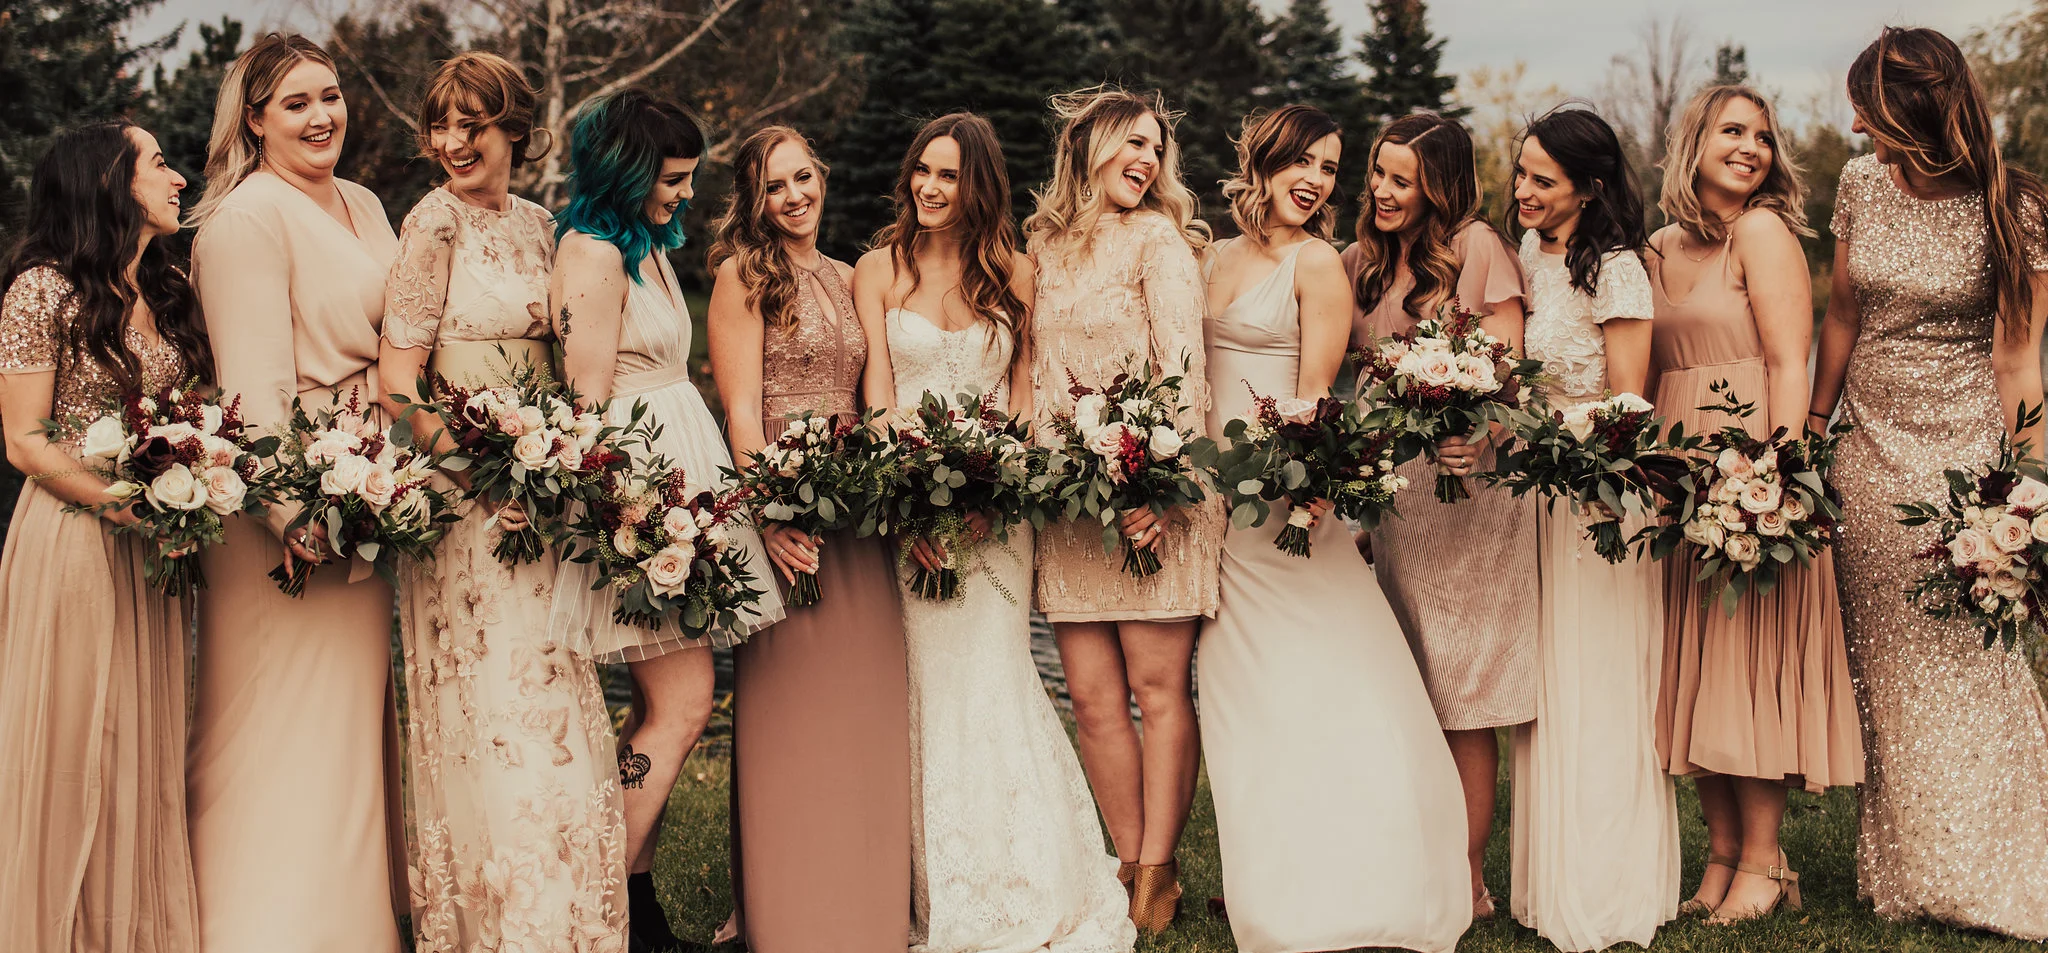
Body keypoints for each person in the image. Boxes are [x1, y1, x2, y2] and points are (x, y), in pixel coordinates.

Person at [851, 112, 1134, 953]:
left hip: (994, 518)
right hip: (911, 520)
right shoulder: (878, 270)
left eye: (949, 176)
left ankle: (1030, 877)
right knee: (926, 697)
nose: (931, 189)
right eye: (922, 172)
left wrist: (990, 490)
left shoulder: (1012, 272)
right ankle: (934, 887)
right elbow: (876, 395)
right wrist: (911, 506)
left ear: (980, 188)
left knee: (996, 680)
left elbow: (1019, 399)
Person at [1196, 104, 1471, 953]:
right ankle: (1271, 878)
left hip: (1281, 502)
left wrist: (1301, 489)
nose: (1316, 180)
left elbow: (1316, 395)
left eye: (1328, 165)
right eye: (1302, 163)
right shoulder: (1212, 257)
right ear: (1262, 163)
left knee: (1323, 680)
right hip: (1212, 500)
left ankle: (1368, 877)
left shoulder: (1319, 263)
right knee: (1248, 701)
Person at [375, 51, 628, 949]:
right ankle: (497, 924)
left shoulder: (539, 227)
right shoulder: (430, 226)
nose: (451, 142)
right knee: (492, 716)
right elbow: (398, 389)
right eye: (440, 124)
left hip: (542, 501)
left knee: (557, 699)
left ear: (514, 129)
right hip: (471, 513)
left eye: (470, 125)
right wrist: (489, 476)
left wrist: (558, 466)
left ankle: (571, 920)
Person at [1810, 27, 2048, 940]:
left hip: (1967, 467)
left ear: (1910, 108)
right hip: (1868, 456)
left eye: (1866, 103)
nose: (1854, 119)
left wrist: (2025, 485)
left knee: (1975, 667)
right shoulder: (1862, 185)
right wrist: (1808, 435)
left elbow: (2020, 359)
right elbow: (1842, 315)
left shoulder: (2014, 206)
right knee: (1891, 671)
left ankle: (1996, 861)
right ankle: (1912, 869)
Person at [545, 88, 785, 953]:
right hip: (643, 499)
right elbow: (586, 407)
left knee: (677, 699)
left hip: (684, 477)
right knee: (682, 701)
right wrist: (638, 524)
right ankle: (595, 902)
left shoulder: (639, 246)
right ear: (631, 170)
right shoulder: (593, 257)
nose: (686, 192)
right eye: (675, 178)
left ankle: (631, 910)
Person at [185, 33, 406, 952]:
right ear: (254, 121)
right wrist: (294, 509)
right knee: (278, 728)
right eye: (297, 104)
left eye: (333, 95)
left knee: (349, 726)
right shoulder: (244, 220)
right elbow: (251, 390)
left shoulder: (360, 200)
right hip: (289, 513)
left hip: (366, 488)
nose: (323, 117)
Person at [1647, 84, 1863, 925]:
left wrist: (1770, 477)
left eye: (1763, 137)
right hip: (1679, 472)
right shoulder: (1658, 244)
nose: (1751, 147)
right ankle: (1724, 856)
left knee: (1747, 665)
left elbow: (1788, 363)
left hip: (1749, 470)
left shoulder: (1762, 232)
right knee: (1700, 669)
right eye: (1733, 131)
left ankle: (1769, 863)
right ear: (1693, 141)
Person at [0, 120, 208, 953]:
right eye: (159, 163)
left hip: (149, 544)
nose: (179, 178)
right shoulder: (41, 290)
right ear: (109, 181)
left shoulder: (165, 288)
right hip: (76, 536)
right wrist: (120, 501)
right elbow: (22, 438)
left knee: (139, 741)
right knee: (77, 735)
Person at [1021, 86, 1222, 933]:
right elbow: (1033, 375)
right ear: (1088, 147)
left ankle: (1159, 872)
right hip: (1069, 507)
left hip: (1153, 499)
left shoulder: (1160, 241)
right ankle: (1128, 856)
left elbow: (1185, 372)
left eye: (1155, 149)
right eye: (1130, 144)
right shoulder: (1040, 245)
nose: (1146, 161)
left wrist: (1157, 491)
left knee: (1156, 686)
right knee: (1093, 695)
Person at [705, 124, 910, 953]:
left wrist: (897, 492)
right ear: (755, 200)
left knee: (866, 710)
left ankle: (866, 895)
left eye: (802, 179)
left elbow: (875, 390)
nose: (794, 197)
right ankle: (788, 903)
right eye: (774, 187)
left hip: (860, 517)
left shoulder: (852, 273)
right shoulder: (739, 277)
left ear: (822, 176)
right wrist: (772, 514)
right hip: (786, 515)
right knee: (792, 715)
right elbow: (743, 410)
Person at [1342, 110, 1533, 917]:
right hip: (1396, 502)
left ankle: (1469, 879)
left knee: (1463, 693)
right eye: (1379, 174)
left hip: (1468, 494)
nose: (1383, 191)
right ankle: (1413, 862)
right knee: (1411, 685)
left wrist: (1481, 436)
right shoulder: (1355, 263)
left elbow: (1509, 365)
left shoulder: (1479, 247)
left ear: (1439, 186)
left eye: (1401, 179)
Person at [1505, 105, 1679, 952]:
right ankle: (1546, 877)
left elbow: (1627, 404)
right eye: (1521, 172)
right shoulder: (1528, 259)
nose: (1522, 190)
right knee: (1548, 685)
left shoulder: (1618, 269)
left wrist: (1567, 455)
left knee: (1597, 677)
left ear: (1591, 186)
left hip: (1597, 493)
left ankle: (1608, 882)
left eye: (1542, 178)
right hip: (1534, 495)